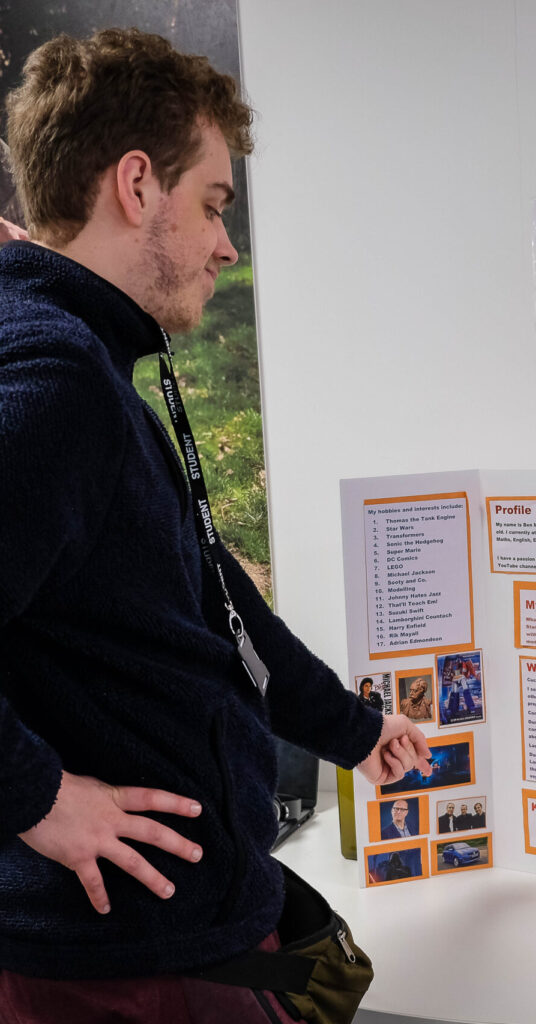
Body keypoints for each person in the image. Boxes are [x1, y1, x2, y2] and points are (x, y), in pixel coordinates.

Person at [0, 27, 431, 1023]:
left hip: (177, 934)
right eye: (214, 204)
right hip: (119, 962)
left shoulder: (92, 370)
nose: (228, 244)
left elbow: (216, 603)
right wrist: (38, 797)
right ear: (137, 185)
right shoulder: (54, 379)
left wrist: (355, 730)